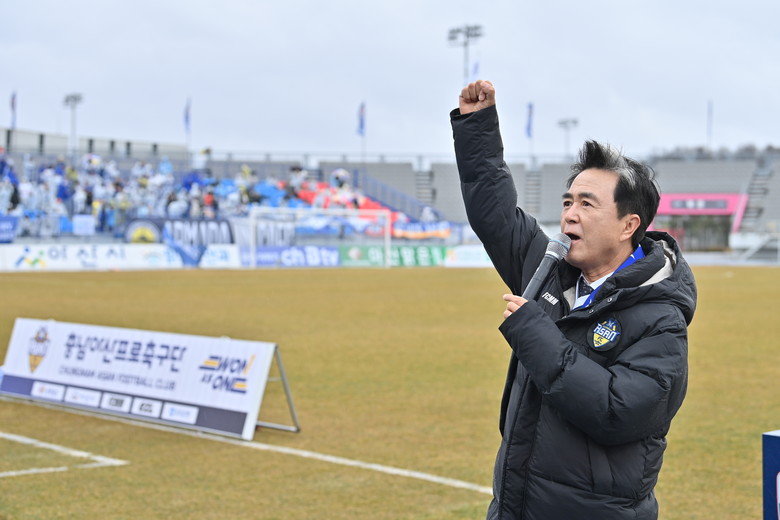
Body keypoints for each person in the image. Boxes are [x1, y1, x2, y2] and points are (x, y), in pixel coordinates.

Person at [451, 80, 697, 520]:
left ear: (628, 225)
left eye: (586, 203)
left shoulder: (660, 316)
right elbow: (494, 214)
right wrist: (478, 127)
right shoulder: (548, 268)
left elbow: (618, 412)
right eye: (568, 202)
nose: (570, 214)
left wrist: (534, 332)